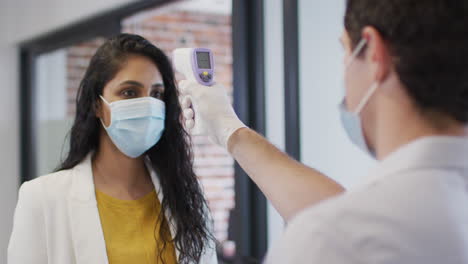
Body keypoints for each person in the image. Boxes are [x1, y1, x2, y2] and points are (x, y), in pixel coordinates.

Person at [179, 0, 468, 263]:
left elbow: (341, 224)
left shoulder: (327, 241)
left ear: (375, 54)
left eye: (344, 50)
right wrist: (231, 131)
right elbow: (343, 208)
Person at [8, 34, 217, 264]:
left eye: (157, 94)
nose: (148, 104)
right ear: (97, 104)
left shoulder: (186, 196)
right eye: (129, 92)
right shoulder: (42, 198)